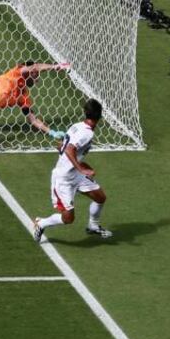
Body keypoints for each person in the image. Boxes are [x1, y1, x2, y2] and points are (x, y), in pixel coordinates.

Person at [32, 99, 113, 243]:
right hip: (63, 178)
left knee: (100, 197)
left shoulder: (77, 126)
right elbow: (70, 149)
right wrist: (81, 167)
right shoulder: (87, 134)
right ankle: (41, 223)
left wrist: (81, 165)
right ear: (100, 116)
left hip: (75, 174)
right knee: (68, 218)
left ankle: (93, 226)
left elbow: (63, 147)